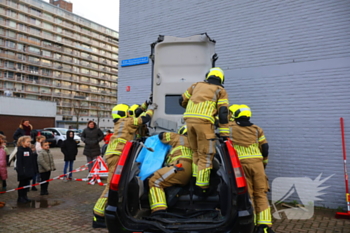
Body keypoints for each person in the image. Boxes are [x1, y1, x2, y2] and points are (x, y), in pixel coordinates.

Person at [92, 102, 157, 228]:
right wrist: (152, 109)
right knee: (111, 186)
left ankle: (103, 213)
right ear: (124, 113)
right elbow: (144, 118)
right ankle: (98, 214)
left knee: (116, 185)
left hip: (115, 153)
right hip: (117, 154)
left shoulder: (121, 122)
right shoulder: (126, 121)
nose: (129, 113)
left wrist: (145, 105)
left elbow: (136, 112)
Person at [179, 67, 229, 193]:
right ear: (221, 79)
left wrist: (191, 109)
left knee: (195, 152)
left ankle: (195, 180)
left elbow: (181, 100)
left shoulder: (196, 85)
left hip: (189, 123)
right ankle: (202, 188)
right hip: (205, 124)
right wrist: (224, 133)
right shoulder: (220, 90)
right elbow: (223, 112)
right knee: (206, 155)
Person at [227, 104, 274, 233]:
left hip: (241, 164)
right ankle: (264, 226)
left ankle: (251, 225)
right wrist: (263, 164)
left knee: (249, 195)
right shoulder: (257, 130)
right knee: (261, 194)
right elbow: (265, 148)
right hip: (258, 164)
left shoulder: (230, 128)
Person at [148, 125, 193, 215]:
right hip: (189, 169)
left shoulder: (179, 137)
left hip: (180, 166)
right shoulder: (197, 143)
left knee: (155, 180)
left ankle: (159, 211)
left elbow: (162, 136)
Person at [15, 136, 37, 203]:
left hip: (29, 170)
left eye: (30, 142)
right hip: (23, 171)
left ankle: (25, 196)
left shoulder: (29, 149)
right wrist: (21, 171)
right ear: (22, 142)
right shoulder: (20, 150)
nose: (29, 143)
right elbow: (19, 162)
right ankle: (20, 197)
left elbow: (32, 160)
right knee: (22, 184)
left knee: (26, 184)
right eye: (27, 142)